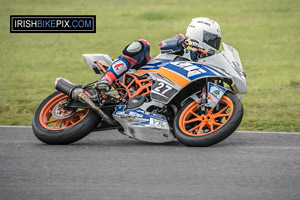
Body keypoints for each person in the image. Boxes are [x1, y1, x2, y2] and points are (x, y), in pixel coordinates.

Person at [96, 17, 222, 92]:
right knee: (141, 45)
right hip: (146, 75)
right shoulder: (182, 40)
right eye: (210, 39)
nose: (213, 43)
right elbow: (163, 44)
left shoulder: (204, 61)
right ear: (197, 33)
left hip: (167, 90)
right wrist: (182, 42)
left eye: (215, 41)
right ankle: (107, 79)